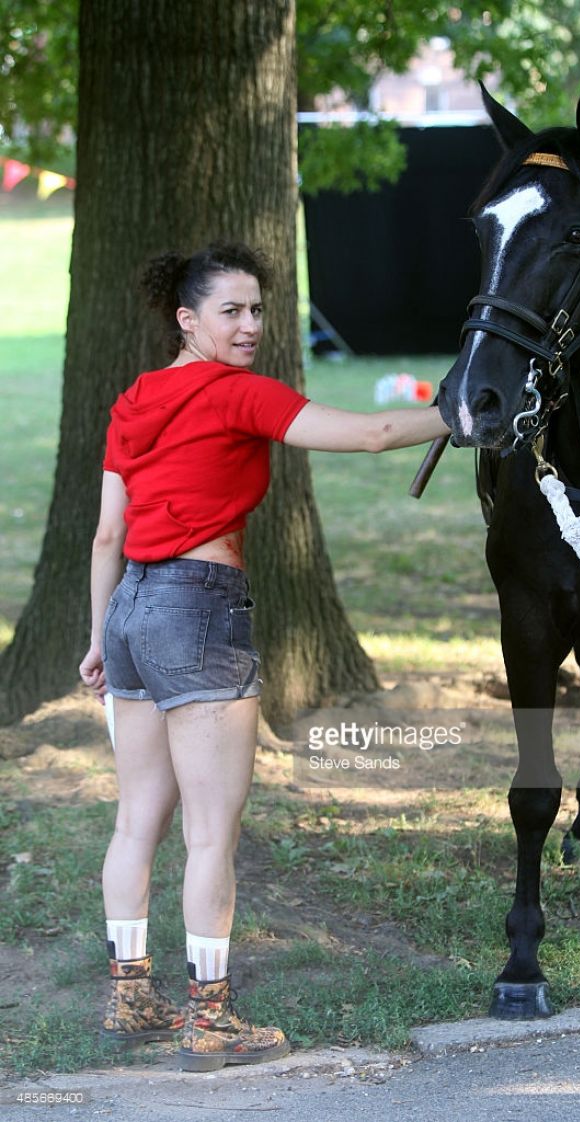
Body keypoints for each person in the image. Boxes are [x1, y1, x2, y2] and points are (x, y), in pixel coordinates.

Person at [78, 241, 450, 1073]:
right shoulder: (237, 394)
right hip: (200, 609)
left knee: (138, 817)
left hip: (134, 607)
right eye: (231, 312)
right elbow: (375, 431)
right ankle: (207, 1019)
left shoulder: (136, 397)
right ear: (188, 319)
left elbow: (108, 531)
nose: (250, 326)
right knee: (211, 833)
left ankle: (128, 996)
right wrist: (463, 411)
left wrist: (100, 636)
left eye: (257, 310)